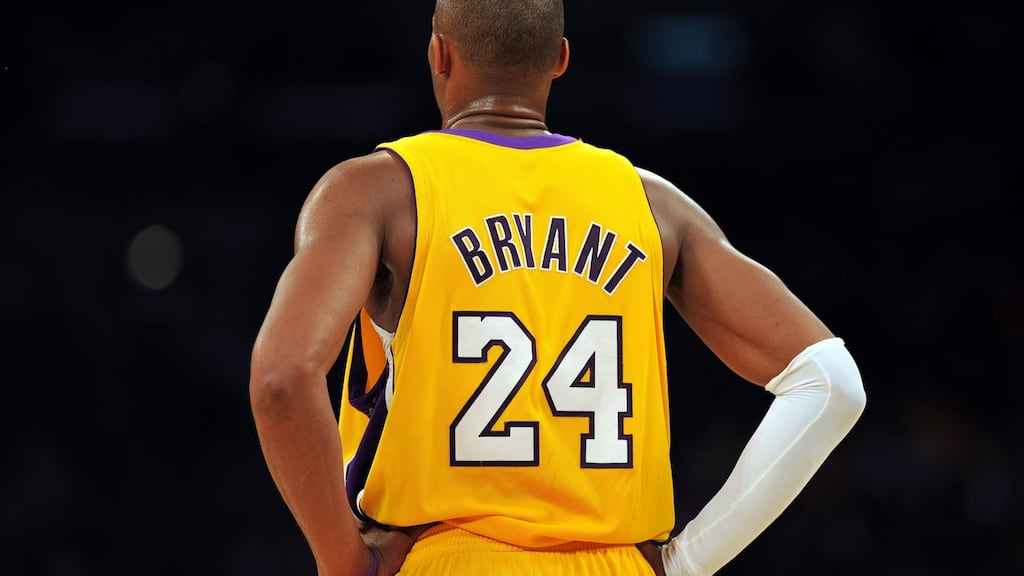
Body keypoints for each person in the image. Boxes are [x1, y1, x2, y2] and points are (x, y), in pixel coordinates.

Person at [249, 1, 867, 575]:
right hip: (615, 562)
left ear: (438, 53)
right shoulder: (652, 205)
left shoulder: (378, 192)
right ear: (561, 59)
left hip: (445, 555)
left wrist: (344, 562)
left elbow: (282, 379)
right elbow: (831, 382)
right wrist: (689, 562)